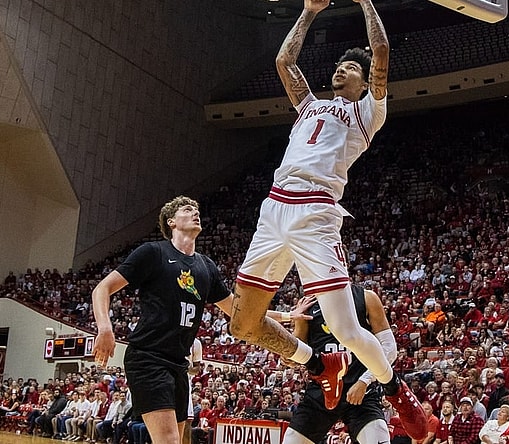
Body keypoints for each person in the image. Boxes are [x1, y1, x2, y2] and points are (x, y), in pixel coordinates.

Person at [227, 0, 426, 440]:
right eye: (338, 66)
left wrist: (365, 2)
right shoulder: (310, 106)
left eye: (350, 68)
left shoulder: (366, 113)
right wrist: (309, 10)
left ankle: (395, 389)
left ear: (363, 80)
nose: (342, 70)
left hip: (316, 213)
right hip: (274, 208)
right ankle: (320, 365)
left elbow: (382, 52)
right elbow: (284, 61)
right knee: (242, 324)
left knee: (347, 329)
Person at [92, 196, 308, 444]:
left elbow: (239, 310)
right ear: (171, 221)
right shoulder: (153, 252)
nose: (195, 212)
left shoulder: (206, 266)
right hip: (148, 358)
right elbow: (102, 289)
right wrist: (105, 327)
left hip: (178, 364)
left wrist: (289, 316)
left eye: (196, 209)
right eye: (187, 209)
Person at [282, 286, 394, 444]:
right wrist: (288, 356)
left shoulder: (366, 297)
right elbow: (295, 353)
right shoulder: (308, 304)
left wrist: (364, 381)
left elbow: (389, 349)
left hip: (361, 392)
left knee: (379, 438)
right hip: (321, 393)